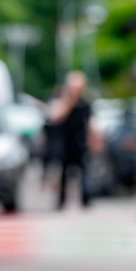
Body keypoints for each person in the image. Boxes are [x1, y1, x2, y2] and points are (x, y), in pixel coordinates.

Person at [49, 71, 101, 209]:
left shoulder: (85, 104)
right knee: (63, 173)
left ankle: (85, 199)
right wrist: (69, 102)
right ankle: (61, 201)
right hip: (64, 143)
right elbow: (55, 117)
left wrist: (94, 142)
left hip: (80, 143)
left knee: (84, 173)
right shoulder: (61, 100)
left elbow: (90, 124)